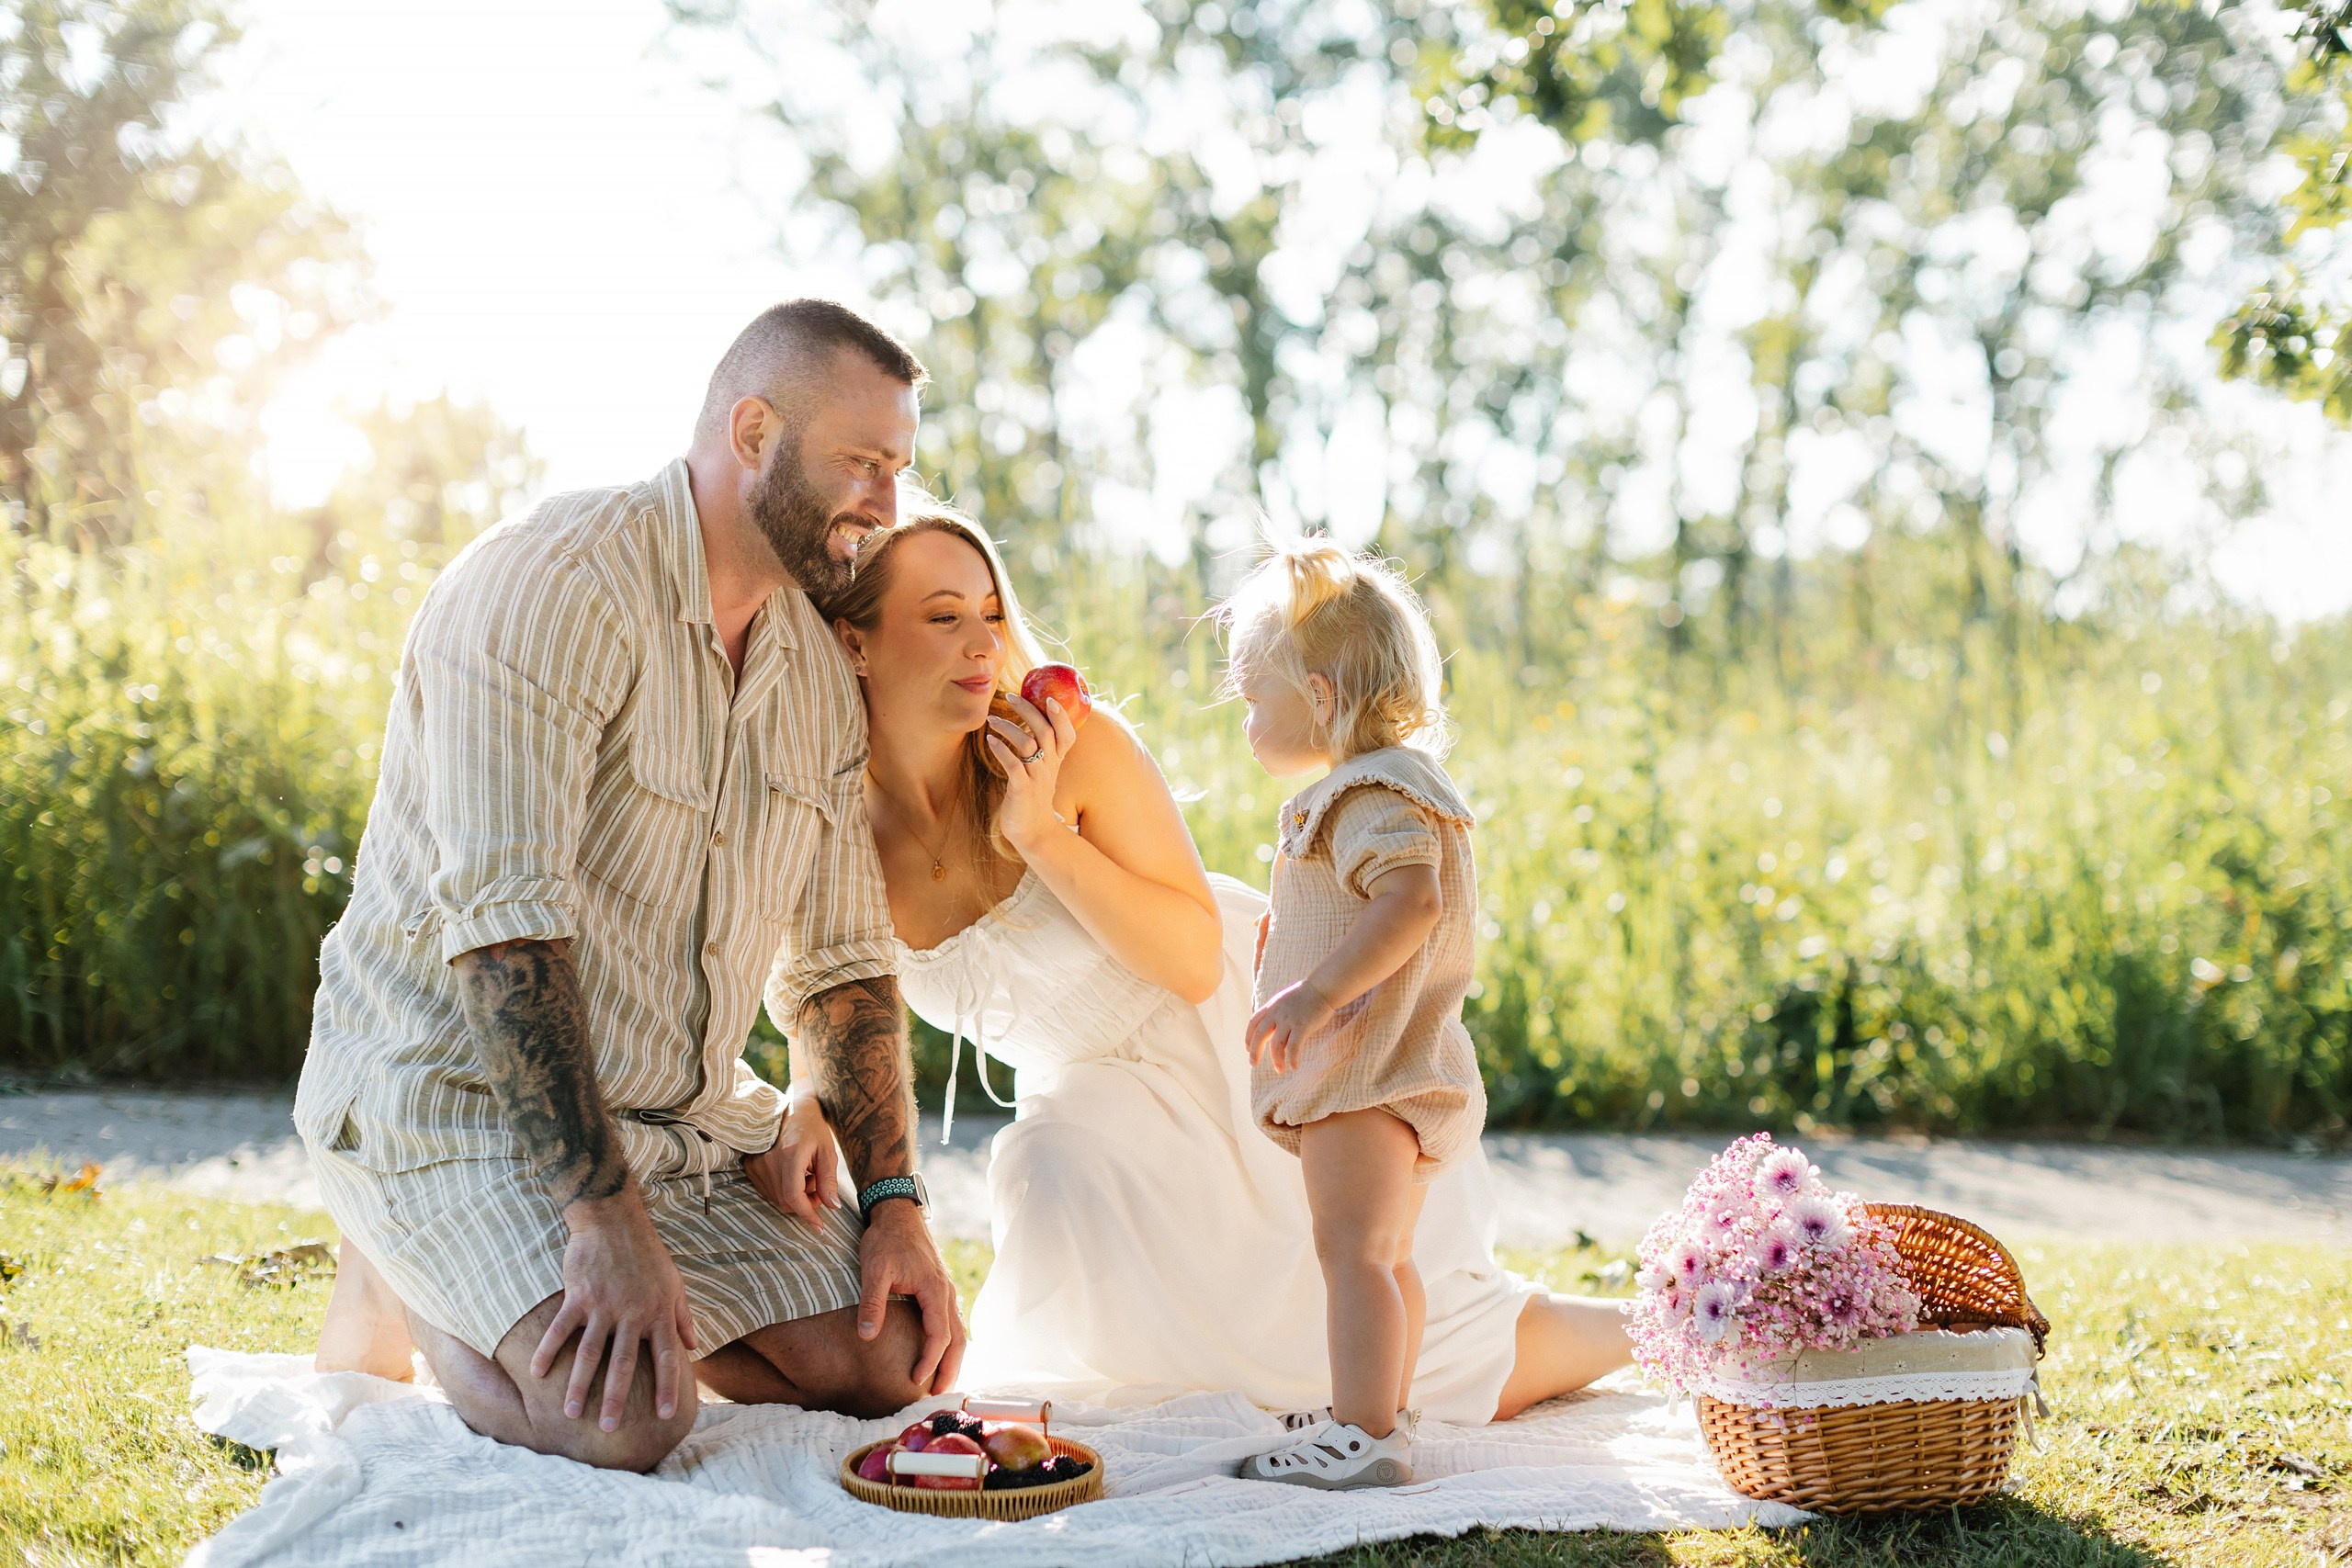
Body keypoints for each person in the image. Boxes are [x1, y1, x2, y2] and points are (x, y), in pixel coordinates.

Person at [759, 510, 1629, 1441]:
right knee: (1056, 1177)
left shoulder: (1070, 743)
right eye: (942, 619)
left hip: (1240, 1031)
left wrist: (1039, 834)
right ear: (851, 641)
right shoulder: (824, 820)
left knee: (1426, 1350)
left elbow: (1182, 958)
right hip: (1088, 1090)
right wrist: (810, 1094)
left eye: (991, 613)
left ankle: (1681, 1315)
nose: (983, 644)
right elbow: (830, 988)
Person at [300, 299, 965, 1473]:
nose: (885, 503)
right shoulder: (551, 586)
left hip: (688, 1129)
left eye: (898, 469)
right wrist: (604, 1220)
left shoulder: (813, 662)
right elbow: (507, 939)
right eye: (860, 463)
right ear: (753, 431)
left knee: (892, 1357)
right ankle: (403, 1248)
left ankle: (571, 1287)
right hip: (462, 1103)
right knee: (626, 1422)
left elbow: (845, 967)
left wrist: (898, 1200)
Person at [1225, 541, 1481, 1490]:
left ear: (1321, 697)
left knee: (1352, 1256)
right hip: (1395, 1071)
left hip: (1363, 1074)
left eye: (1256, 699)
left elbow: (1407, 905)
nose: (1248, 721)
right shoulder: (1391, 787)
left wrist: (1318, 994)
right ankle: (1379, 1411)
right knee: (1387, 1256)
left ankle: (1363, 1433)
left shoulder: (1367, 790)